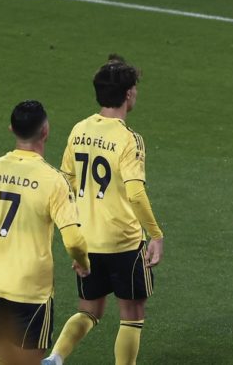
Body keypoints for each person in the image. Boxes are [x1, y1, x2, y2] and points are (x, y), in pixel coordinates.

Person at [42, 55, 164, 365]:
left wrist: (75, 238)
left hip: (87, 241)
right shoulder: (129, 139)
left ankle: (55, 357)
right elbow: (136, 193)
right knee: (132, 314)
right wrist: (155, 234)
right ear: (128, 94)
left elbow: (66, 183)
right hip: (124, 241)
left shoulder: (79, 130)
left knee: (89, 310)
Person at [0, 100, 90, 365]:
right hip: (31, 289)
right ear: (45, 131)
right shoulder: (53, 180)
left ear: (11, 129)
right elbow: (74, 241)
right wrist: (83, 263)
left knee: (1, 357)